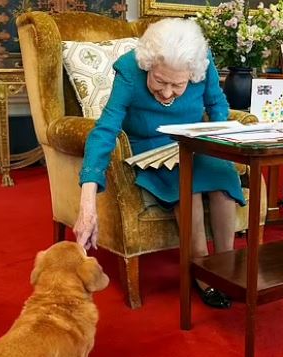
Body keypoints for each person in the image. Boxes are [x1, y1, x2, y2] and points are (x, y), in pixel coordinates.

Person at [74, 18, 245, 309]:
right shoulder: (130, 69)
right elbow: (105, 129)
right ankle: (201, 270)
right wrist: (87, 199)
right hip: (150, 146)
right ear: (148, 64)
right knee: (187, 186)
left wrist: (219, 143)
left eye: (178, 85)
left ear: (192, 73)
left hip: (194, 142)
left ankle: (225, 266)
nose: (167, 93)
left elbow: (217, 105)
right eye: (159, 81)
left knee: (223, 180)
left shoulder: (202, 62)